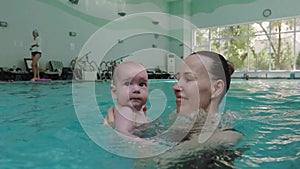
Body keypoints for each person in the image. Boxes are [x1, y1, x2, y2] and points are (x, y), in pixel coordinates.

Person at [105, 61, 149, 137]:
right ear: (114, 92)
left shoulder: (138, 110)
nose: (136, 89)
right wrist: (148, 144)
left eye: (142, 84)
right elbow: (123, 135)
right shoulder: (126, 110)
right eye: (128, 84)